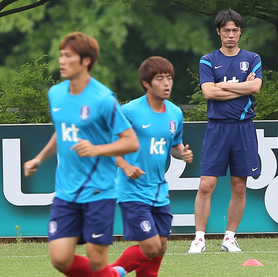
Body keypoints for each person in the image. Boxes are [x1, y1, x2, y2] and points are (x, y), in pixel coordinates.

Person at [23, 32, 138, 277]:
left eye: (68, 56)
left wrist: (97, 149)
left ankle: (110, 273)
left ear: (86, 61)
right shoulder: (56, 93)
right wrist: (39, 159)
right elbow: (62, 132)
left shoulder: (103, 99)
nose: (61, 61)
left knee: (97, 264)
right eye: (60, 56)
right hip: (66, 191)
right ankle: (114, 275)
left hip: (98, 191)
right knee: (60, 259)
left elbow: (131, 142)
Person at [188, 8, 263, 253]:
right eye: (226, 30)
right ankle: (199, 239)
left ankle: (229, 238)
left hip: (243, 128)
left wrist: (226, 86)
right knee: (206, 184)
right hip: (217, 128)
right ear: (219, 32)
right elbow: (208, 92)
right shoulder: (208, 60)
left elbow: (256, 88)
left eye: (235, 30)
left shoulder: (253, 58)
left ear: (240, 32)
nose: (231, 34)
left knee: (239, 186)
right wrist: (243, 86)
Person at [111, 56, 193, 276]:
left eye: (169, 78)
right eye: (160, 78)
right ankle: (108, 273)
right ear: (146, 83)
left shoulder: (175, 113)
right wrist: (126, 166)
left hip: (159, 190)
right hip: (133, 191)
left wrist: (182, 154)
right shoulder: (129, 111)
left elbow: (174, 147)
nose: (167, 83)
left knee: (161, 246)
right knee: (151, 246)